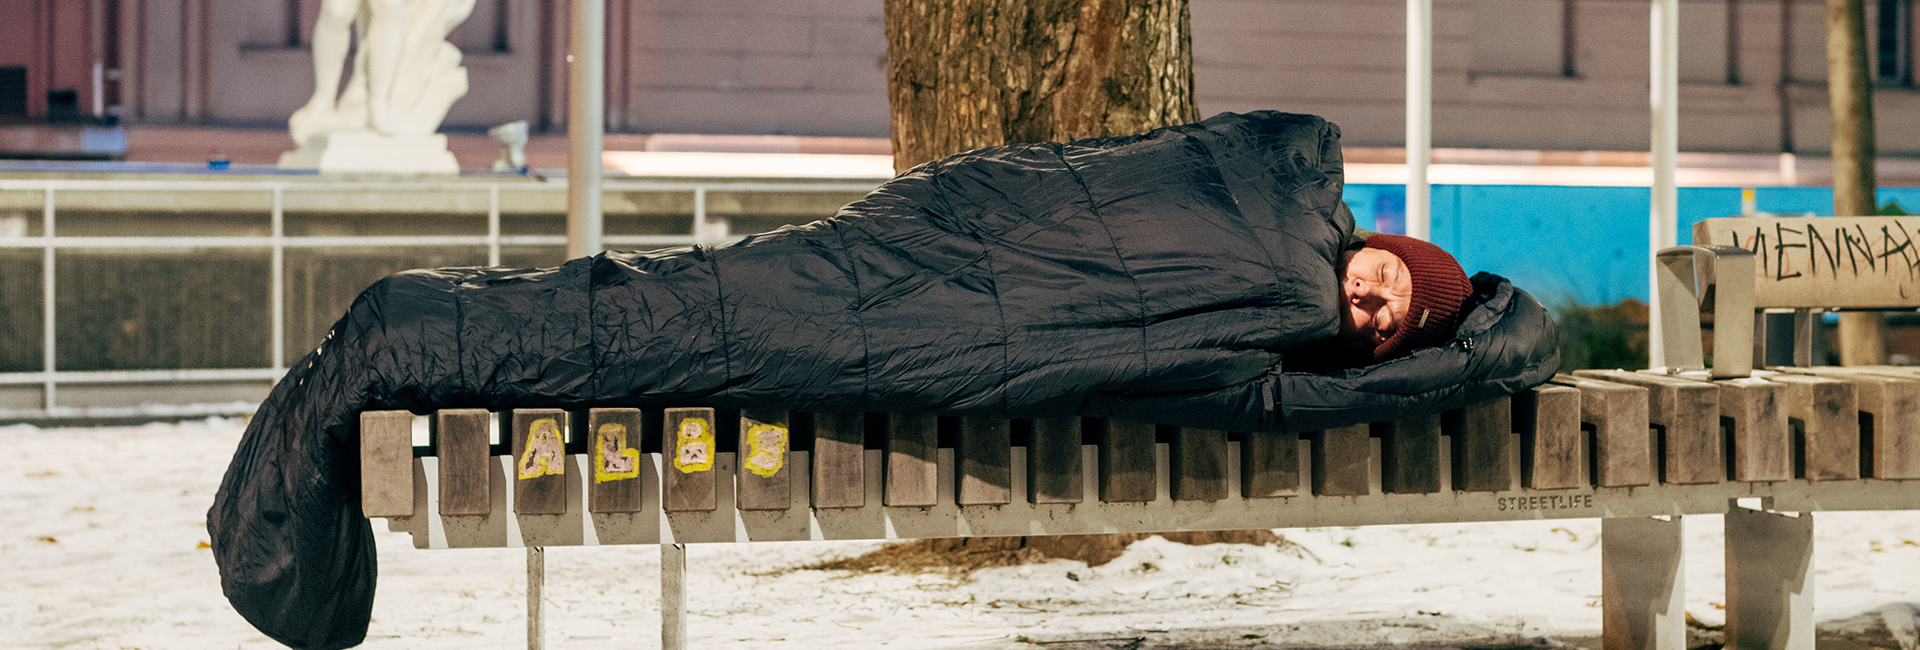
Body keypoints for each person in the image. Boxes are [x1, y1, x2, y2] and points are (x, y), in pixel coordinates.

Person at [210, 110, 1559, 649]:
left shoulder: (1277, 359)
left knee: (668, 323)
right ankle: (396, 339)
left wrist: (1472, 329)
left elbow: (1487, 356)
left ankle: (392, 349)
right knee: (665, 317)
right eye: (1393, 281)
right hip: (930, 256)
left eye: (1395, 326)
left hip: (923, 319)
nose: (1378, 309)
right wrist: (1464, 308)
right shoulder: (1281, 212)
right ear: (1378, 242)